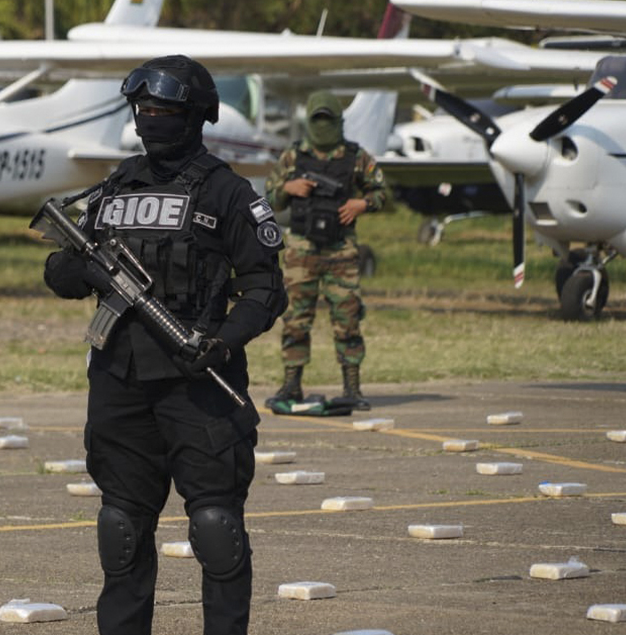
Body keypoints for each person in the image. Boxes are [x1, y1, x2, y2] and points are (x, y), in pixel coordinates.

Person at [42, 55, 286, 635]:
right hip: (119, 383)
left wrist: (222, 343)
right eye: (143, 109)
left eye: (165, 110)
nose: (151, 119)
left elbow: (265, 290)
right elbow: (58, 272)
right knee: (120, 530)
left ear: (196, 116)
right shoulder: (114, 186)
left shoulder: (228, 193)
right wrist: (88, 275)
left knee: (215, 528)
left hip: (197, 384)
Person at [264, 90, 388, 412]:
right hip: (300, 251)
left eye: (327, 120)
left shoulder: (356, 157)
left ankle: (352, 388)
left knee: (347, 321)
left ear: (338, 121)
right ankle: (291, 386)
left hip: (340, 251)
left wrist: (362, 203)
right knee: (295, 321)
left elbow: (381, 192)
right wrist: (287, 188)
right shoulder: (292, 157)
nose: (322, 126)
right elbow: (270, 197)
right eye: (317, 119)